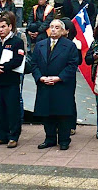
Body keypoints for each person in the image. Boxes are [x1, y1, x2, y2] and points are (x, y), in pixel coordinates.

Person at [32, 19, 80, 150]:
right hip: (44, 84)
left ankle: (64, 140)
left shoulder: (69, 46)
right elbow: (34, 64)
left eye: (57, 27)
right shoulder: (40, 44)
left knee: (62, 113)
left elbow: (72, 65)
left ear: (63, 31)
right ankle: (50, 138)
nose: (53, 29)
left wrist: (59, 78)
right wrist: (40, 78)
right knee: (47, 113)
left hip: (62, 85)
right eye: (51, 27)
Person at [0, 15, 25, 148]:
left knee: (12, 109)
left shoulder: (17, 42)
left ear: (10, 27)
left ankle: (13, 136)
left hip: (11, 81)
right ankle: (1, 135)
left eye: (3, 27)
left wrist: (2, 68)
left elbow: (18, 60)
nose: (1, 30)